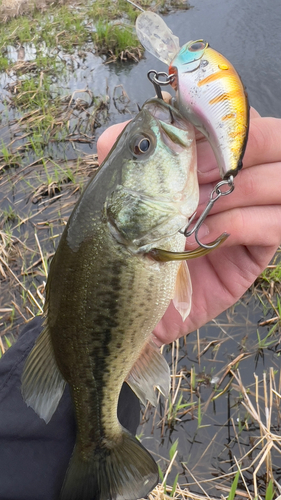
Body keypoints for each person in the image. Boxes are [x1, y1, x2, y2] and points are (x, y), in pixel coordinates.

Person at [0, 104, 280, 500]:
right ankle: (99, 442)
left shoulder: (142, 234)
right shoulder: (139, 235)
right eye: (144, 146)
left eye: (141, 144)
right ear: (121, 210)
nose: (155, 131)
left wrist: (150, 333)